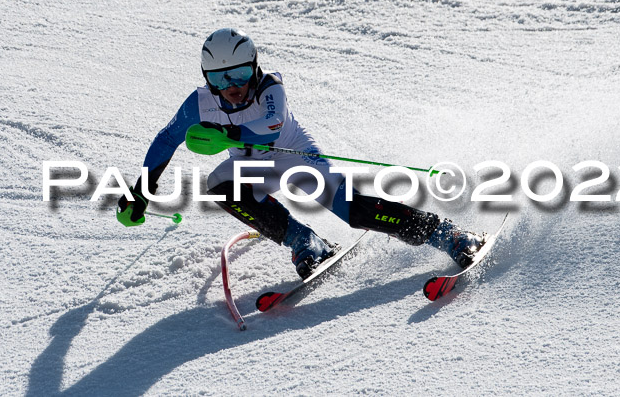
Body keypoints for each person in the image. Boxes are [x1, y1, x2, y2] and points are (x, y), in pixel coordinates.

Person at [117, 28, 484, 279]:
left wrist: (228, 132)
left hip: (295, 156)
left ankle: (446, 234)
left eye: (240, 73)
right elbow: (166, 141)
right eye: (219, 79)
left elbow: (272, 126)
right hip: (250, 166)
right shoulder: (198, 104)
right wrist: (140, 190)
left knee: (351, 210)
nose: (231, 87)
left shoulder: (270, 86)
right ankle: (304, 241)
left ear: (255, 66)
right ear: (206, 77)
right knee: (219, 187)